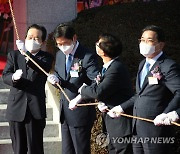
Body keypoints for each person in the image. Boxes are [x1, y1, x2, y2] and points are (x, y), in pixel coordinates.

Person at [108, 25, 180, 154]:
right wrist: (121, 107)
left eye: (149, 40)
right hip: (138, 127)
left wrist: (167, 113)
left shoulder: (168, 66)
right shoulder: (143, 64)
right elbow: (140, 94)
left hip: (156, 129)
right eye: (142, 40)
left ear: (161, 44)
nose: (144, 43)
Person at [47, 22, 99, 154]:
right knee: (67, 150)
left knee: (80, 150)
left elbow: (96, 81)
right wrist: (55, 79)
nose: (62, 47)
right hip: (65, 111)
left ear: (74, 38)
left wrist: (80, 97)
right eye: (59, 44)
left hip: (80, 111)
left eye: (65, 43)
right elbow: (60, 74)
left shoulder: (87, 56)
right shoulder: (59, 55)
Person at [77, 33, 133, 154]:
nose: (96, 44)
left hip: (121, 125)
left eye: (99, 43)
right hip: (111, 124)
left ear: (104, 51)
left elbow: (99, 92)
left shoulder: (115, 68)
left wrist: (82, 90)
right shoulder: (108, 67)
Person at [2, 24, 54, 154]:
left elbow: (41, 69)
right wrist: (13, 77)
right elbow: (5, 75)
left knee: (35, 149)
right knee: (18, 149)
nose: (33, 40)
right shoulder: (14, 55)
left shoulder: (46, 57)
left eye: (37, 38)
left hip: (35, 109)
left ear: (42, 42)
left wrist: (26, 54)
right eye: (30, 37)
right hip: (16, 108)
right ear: (25, 38)